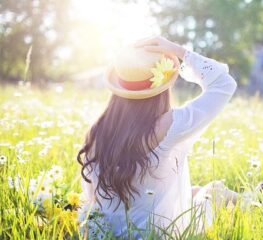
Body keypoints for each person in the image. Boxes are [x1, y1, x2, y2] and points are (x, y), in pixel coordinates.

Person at [76, 36, 241, 239]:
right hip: (163, 234)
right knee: (214, 190)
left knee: (193, 191)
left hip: (109, 234)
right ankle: (258, 199)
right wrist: (179, 51)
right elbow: (224, 83)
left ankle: (254, 196)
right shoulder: (169, 125)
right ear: (161, 88)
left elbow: (91, 198)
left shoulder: (97, 130)